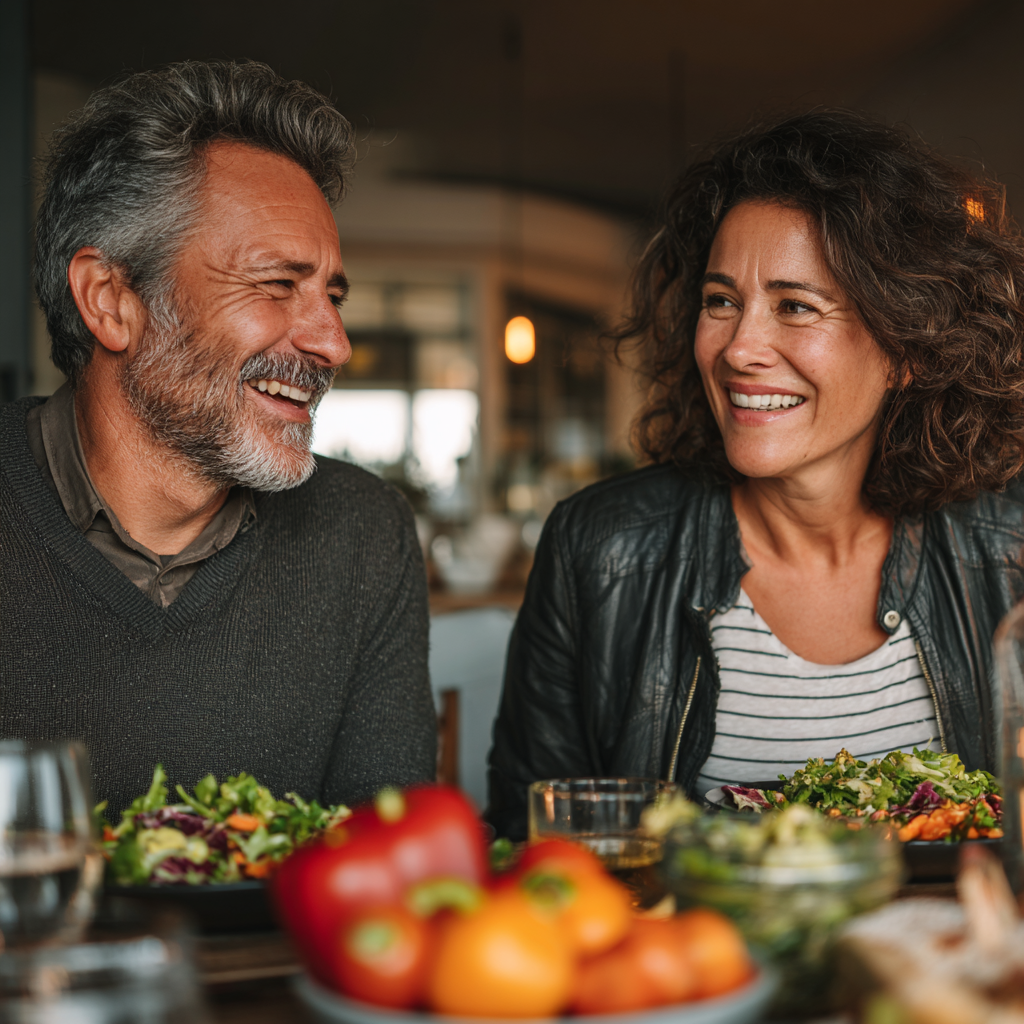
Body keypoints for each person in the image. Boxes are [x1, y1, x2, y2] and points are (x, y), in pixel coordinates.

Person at [487, 110, 1024, 840]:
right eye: (721, 302)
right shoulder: (600, 548)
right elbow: (533, 845)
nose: (740, 348)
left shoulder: (1008, 550)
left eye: (796, 306)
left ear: (910, 349)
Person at [0, 61, 437, 814]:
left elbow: (388, 883)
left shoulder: (362, 534)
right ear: (110, 300)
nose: (333, 342)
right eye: (276, 284)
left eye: (332, 294)